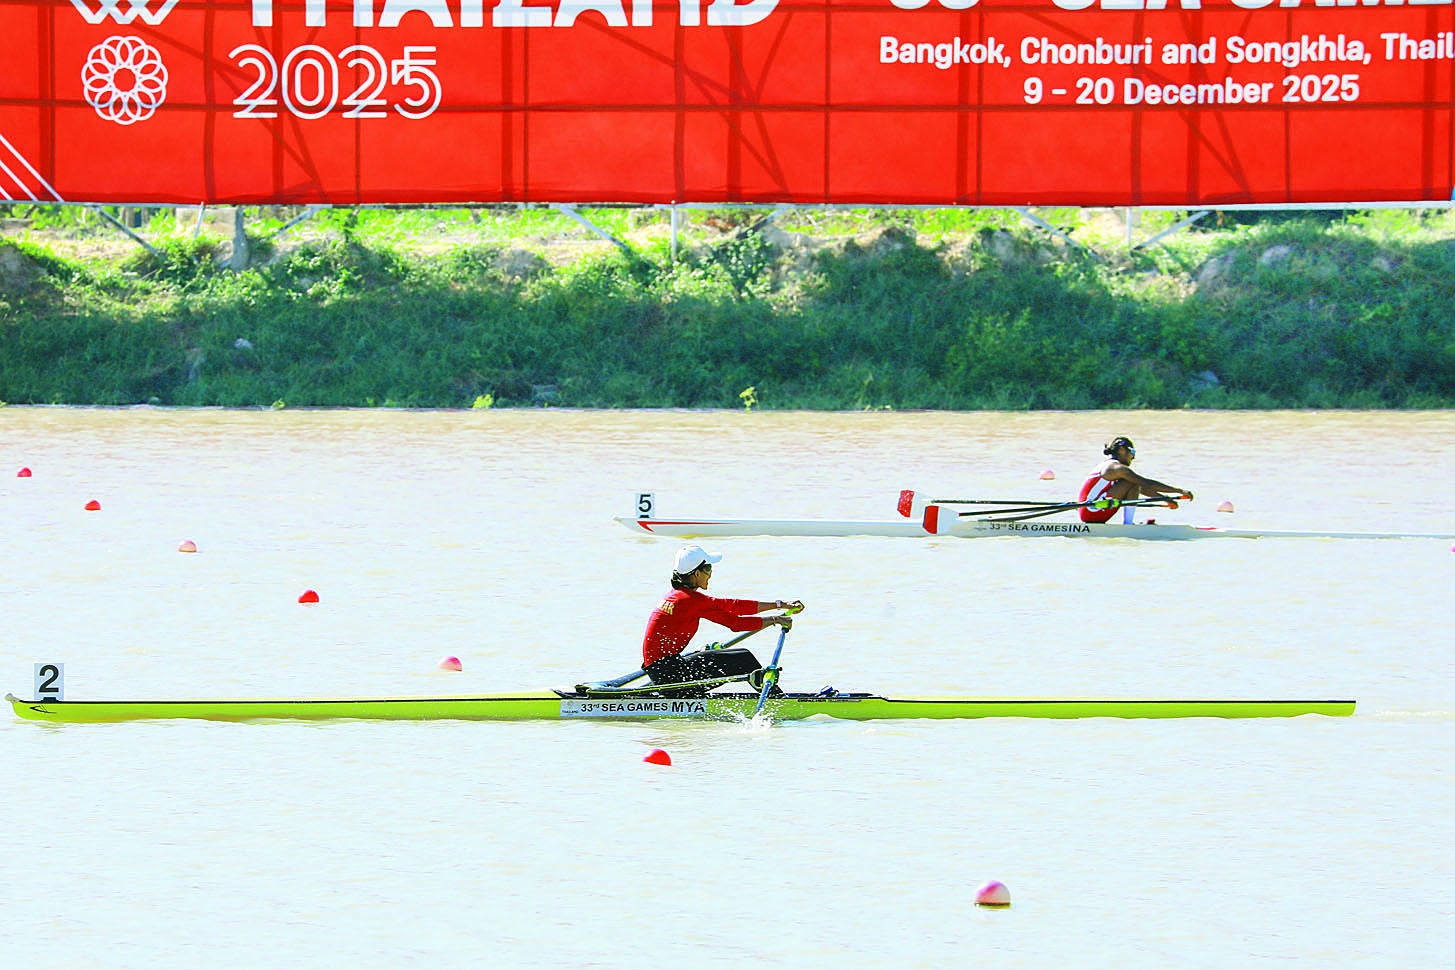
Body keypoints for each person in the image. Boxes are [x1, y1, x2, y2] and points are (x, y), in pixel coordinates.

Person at [641, 544, 803, 693]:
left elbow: (732, 606)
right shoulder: (690, 600)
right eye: (708, 569)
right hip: (671, 676)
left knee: (728, 656)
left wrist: (780, 604)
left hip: (662, 672)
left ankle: (772, 697)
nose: (710, 574)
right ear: (696, 573)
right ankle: (777, 703)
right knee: (743, 658)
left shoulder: (677, 596)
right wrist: (775, 620)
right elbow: (736, 624)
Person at [1078, 436, 1193, 523]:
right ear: (1121, 450)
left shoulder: (1108, 466)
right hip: (1092, 511)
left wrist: (1165, 499)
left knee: (1133, 484)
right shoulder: (1116, 468)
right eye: (1132, 452)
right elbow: (1147, 483)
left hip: (1094, 510)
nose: (1133, 457)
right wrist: (1179, 491)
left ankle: (1129, 524)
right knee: (1132, 482)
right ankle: (1128, 525)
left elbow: (1142, 488)